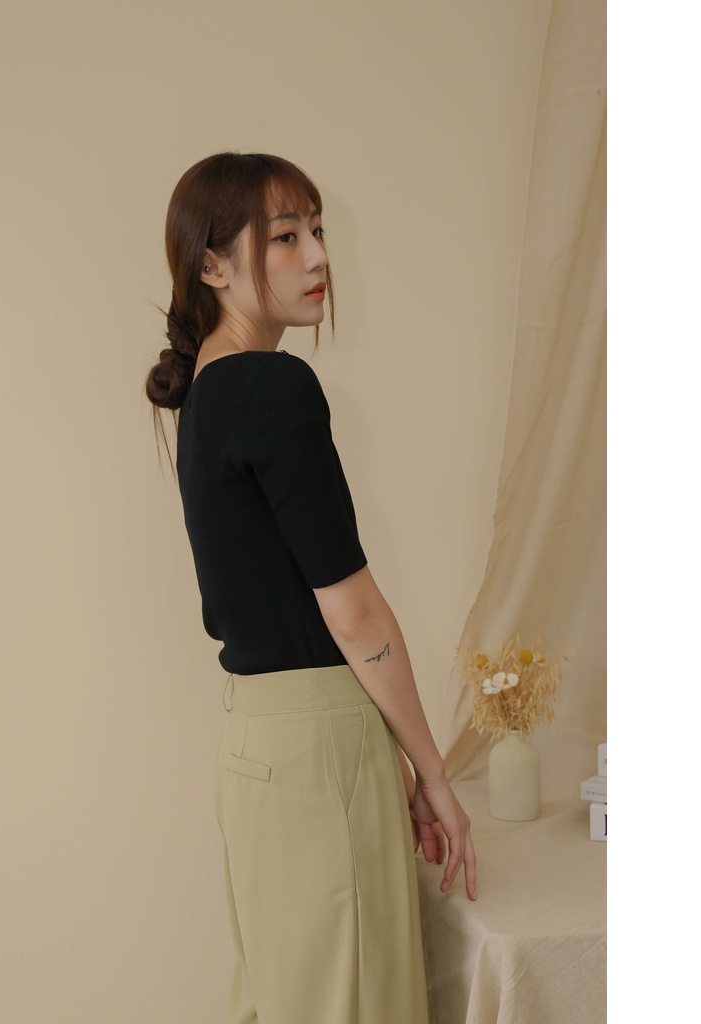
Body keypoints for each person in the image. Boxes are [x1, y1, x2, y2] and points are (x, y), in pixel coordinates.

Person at [145, 152, 477, 1024]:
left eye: (318, 230)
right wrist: (433, 773)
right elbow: (354, 612)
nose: (320, 255)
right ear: (212, 266)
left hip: (256, 746)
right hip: (320, 748)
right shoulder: (272, 385)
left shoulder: (207, 395)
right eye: (286, 236)